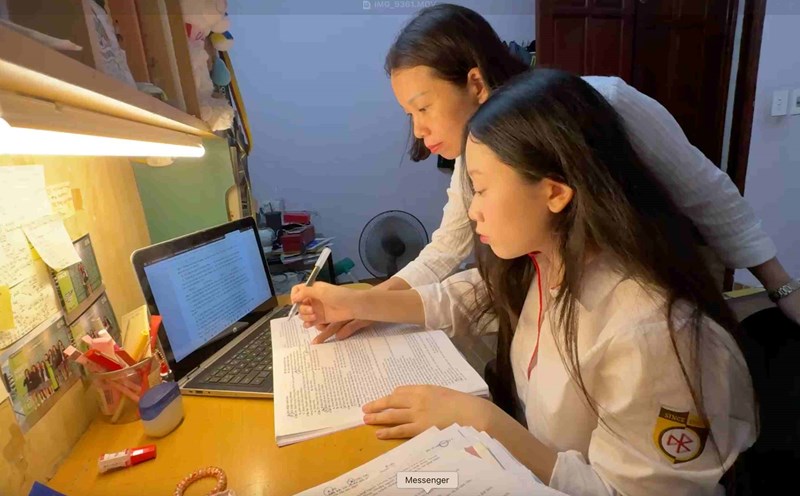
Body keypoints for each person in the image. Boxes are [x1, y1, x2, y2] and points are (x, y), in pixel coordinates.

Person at [292, 69, 756, 495]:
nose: (472, 211)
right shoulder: (544, 263)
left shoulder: (653, 335)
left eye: (483, 187)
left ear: (554, 191)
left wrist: (482, 420)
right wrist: (354, 304)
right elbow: (462, 297)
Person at [313, 3, 798, 345]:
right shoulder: (475, 156)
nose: (419, 133)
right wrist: (367, 304)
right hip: (575, 314)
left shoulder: (604, 104)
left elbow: (709, 196)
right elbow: (446, 253)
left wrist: (781, 288)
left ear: (475, 83)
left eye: (423, 108)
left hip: (658, 287)